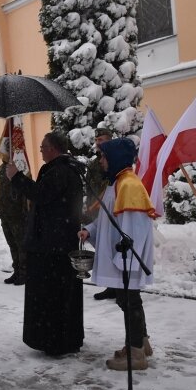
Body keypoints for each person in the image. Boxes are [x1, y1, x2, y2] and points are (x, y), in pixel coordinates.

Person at [79, 138, 156, 370]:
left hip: (126, 260)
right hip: (120, 258)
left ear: (115, 158)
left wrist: (126, 261)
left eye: (103, 157)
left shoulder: (129, 186)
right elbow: (108, 220)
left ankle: (136, 354)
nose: (101, 161)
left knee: (129, 301)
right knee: (128, 301)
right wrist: (89, 231)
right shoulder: (117, 183)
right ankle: (139, 343)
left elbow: (134, 229)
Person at [6, 132, 84, 356]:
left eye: (43, 147)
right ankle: (65, 336)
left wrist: (16, 177)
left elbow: (41, 195)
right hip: (57, 241)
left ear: (53, 149)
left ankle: (55, 340)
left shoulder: (60, 171)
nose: (40, 150)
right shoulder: (64, 168)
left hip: (52, 245)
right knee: (62, 294)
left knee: (52, 294)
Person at [85, 127, 116, 301]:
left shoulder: (114, 161)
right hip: (94, 212)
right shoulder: (93, 163)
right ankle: (111, 286)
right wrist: (88, 206)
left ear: (110, 140)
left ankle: (120, 288)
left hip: (109, 211)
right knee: (103, 251)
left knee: (114, 251)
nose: (98, 143)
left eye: (102, 140)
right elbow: (89, 186)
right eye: (96, 140)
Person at [0, 152, 28, 285]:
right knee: (12, 244)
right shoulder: (1, 169)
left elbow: (25, 191)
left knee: (21, 244)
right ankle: (17, 271)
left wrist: (24, 211)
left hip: (17, 214)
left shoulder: (19, 166)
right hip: (5, 212)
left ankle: (25, 272)